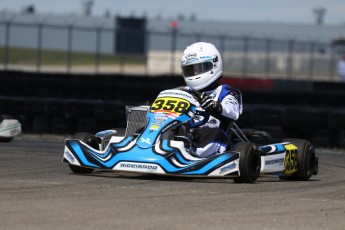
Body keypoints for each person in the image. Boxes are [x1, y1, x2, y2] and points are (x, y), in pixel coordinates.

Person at [180, 42, 243, 158]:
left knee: (212, 132)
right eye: (190, 70)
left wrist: (216, 107)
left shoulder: (227, 91)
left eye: (199, 69)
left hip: (212, 136)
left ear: (214, 65)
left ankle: (189, 155)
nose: (195, 74)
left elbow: (232, 112)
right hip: (186, 135)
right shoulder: (183, 93)